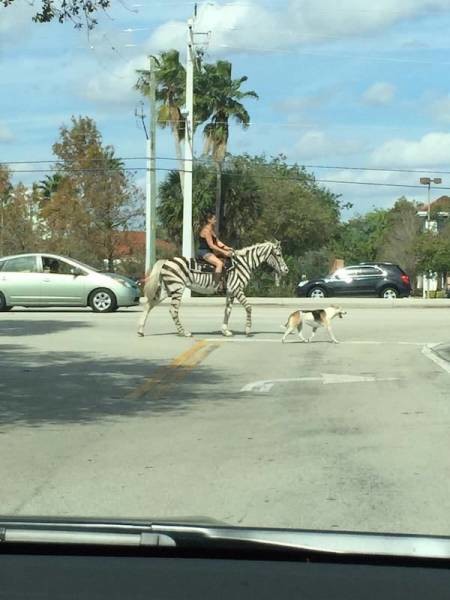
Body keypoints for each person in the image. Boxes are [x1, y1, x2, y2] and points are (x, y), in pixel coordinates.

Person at [197, 211, 233, 289]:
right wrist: (224, 252)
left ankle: (223, 284)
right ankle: (215, 286)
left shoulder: (211, 230)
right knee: (219, 264)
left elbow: (218, 242)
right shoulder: (206, 230)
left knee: (225, 261)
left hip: (209, 252)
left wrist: (228, 248)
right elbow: (211, 245)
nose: (216, 220)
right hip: (204, 252)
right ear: (209, 220)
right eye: (214, 219)